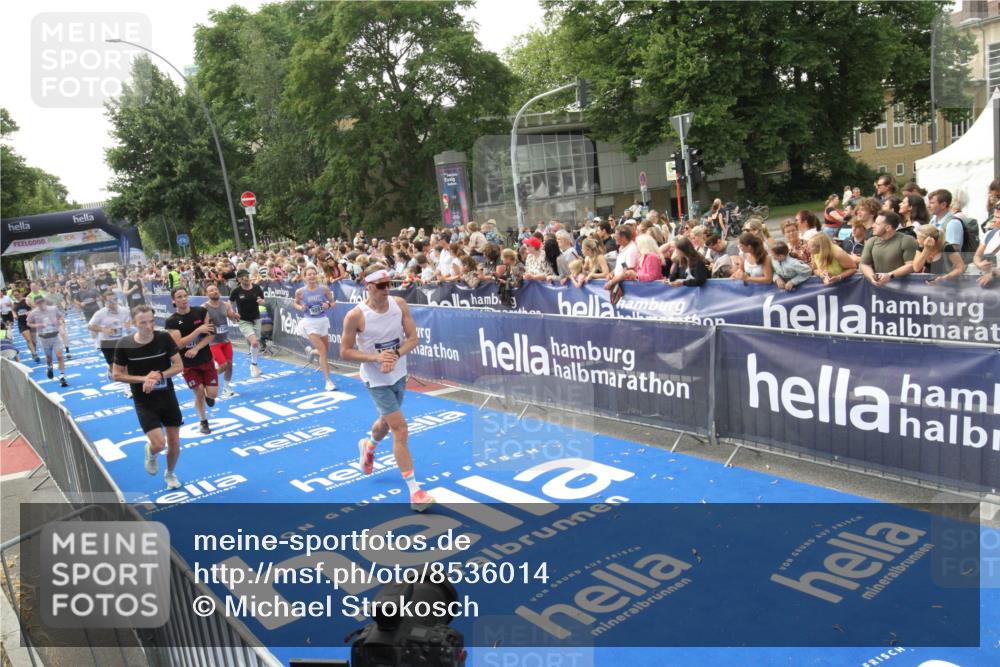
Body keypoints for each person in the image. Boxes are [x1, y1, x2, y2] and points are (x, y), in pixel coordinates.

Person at [340, 265, 434, 513]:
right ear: (368, 286)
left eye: (389, 284)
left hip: (399, 373)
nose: (386, 290)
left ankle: (369, 446)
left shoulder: (399, 304)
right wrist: (377, 359)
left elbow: (413, 338)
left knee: (386, 421)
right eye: (381, 286)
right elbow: (345, 351)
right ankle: (415, 491)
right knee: (400, 428)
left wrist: (394, 355)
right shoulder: (355, 316)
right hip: (375, 379)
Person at [113, 305, 185, 490]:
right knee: (159, 444)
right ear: (134, 323)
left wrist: (159, 375)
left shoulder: (163, 338)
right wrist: (143, 378)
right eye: (143, 322)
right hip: (144, 401)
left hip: (167, 397)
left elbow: (178, 366)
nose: (148, 326)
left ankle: (170, 474)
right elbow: (117, 375)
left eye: (151, 321)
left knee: (175, 442)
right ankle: (151, 453)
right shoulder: (124, 344)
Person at [165, 287, 218, 435]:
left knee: (212, 394)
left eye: (185, 295)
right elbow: (179, 344)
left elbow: (211, 335)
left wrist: (197, 348)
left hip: (205, 358)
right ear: (174, 301)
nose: (183, 299)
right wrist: (197, 331)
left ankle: (209, 397)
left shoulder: (200, 312)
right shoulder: (172, 321)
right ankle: (203, 421)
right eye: (179, 297)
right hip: (187, 363)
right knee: (199, 392)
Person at [294, 266, 337, 391]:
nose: (312, 276)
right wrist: (300, 308)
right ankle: (328, 381)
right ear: (305, 277)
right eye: (309, 274)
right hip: (309, 322)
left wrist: (327, 305)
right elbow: (295, 303)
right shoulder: (300, 292)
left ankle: (311, 352)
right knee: (323, 350)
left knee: (324, 351)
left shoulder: (324, 289)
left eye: (314, 274)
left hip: (322, 321)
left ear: (317, 275)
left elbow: (333, 302)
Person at [88, 292, 133, 397]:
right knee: (113, 367)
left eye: (114, 299)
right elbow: (90, 326)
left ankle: (127, 390)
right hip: (107, 343)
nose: (113, 302)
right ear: (105, 301)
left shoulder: (124, 311)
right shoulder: (100, 313)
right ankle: (109, 370)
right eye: (110, 300)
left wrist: (128, 327)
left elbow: (128, 322)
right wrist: (103, 329)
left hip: (121, 341)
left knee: (124, 366)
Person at [859, 211, 918, 287]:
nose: (873, 226)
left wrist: (890, 275)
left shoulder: (907, 240)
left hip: (903, 288)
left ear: (888, 227)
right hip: (879, 287)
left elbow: (911, 266)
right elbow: (864, 264)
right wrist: (872, 277)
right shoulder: (871, 241)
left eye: (877, 224)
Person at [203, 282, 238, 399]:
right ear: (207, 294)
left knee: (230, 365)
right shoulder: (204, 308)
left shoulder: (226, 304)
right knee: (223, 365)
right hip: (213, 342)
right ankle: (207, 380)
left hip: (226, 340)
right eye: (211, 290)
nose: (215, 291)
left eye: (216, 289)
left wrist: (235, 316)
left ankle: (226, 388)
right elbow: (201, 326)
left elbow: (232, 318)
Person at [228, 269, 265, 378]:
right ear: (239, 279)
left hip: (256, 318)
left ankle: (254, 364)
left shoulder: (257, 288)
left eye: (247, 276)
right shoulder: (236, 291)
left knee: (256, 343)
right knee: (254, 342)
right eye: (243, 277)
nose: (246, 279)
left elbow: (263, 300)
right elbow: (229, 302)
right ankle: (253, 365)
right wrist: (233, 313)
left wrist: (261, 302)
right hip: (243, 320)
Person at [27, 296, 68, 386]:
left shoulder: (53, 308)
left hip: (55, 335)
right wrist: (39, 325)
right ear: (35, 304)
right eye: (38, 303)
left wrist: (60, 322)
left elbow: (61, 316)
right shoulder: (33, 313)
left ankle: (62, 376)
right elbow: (28, 323)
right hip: (44, 338)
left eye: (42, 302)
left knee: (59, 356)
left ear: (45, 302)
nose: (41, 304)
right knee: (49, 358)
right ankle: (49, 367)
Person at [974, 205, 1000, 288]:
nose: (993, 220)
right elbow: (977, 255)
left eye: (997, 217)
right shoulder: (990, 234)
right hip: (987, 285)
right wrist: (979, 264)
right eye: (994, 216)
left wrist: (993, 273)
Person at [12, 290, 38, 363]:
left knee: (34, 341)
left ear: (20, 293)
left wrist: (30, 312)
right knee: (28, 339)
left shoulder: (27, 300)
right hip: (22, 323)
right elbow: (13, 311)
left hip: (31, 322)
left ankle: (33, 349)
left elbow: (35, 308)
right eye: (15, 295)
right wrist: (14, 316)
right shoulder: (14, 304)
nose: (16, 296)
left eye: (17, 294)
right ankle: (34, 354)